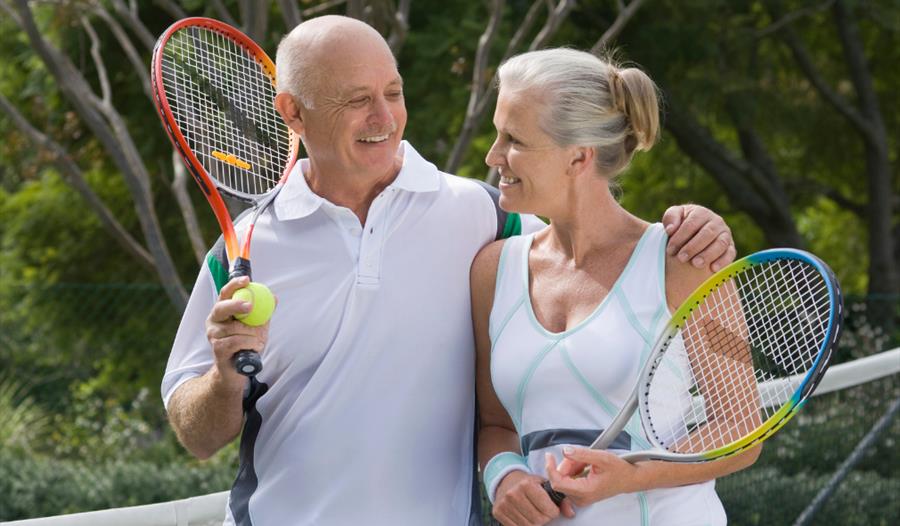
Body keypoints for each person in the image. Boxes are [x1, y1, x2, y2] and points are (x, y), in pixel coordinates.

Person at [162, 16, 736, 526]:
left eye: (393, 92)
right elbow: (197, 435)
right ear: (292, 111)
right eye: (356, 99)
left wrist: (700, 227)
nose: (383, 117)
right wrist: (224, 376)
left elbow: (594, 233)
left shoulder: (482, 216)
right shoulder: (246, 246)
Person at [471, 48, 760, 526]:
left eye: (514, 139)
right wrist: (504, 477)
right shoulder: (492, 271)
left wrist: (633, 474)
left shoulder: (684, 261)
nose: (493, 155)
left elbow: (743, 428)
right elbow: (496, 424)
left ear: (579, 157)